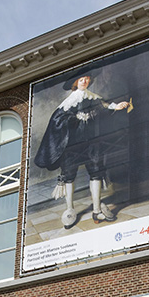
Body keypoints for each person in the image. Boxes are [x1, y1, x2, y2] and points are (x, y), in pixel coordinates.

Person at [33, 71, 131, 229]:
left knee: (96, 173)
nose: (84, 81)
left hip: (92, 144)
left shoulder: (93, 97)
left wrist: (117, 106)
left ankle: (97, 210)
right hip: (73, 146)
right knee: (69, 176)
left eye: (87, 79)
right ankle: (70, 210)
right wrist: (74, 119)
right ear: (75, 83)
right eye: (81, 80)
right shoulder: (69, 102)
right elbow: (57, 121)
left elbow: (105, 107)